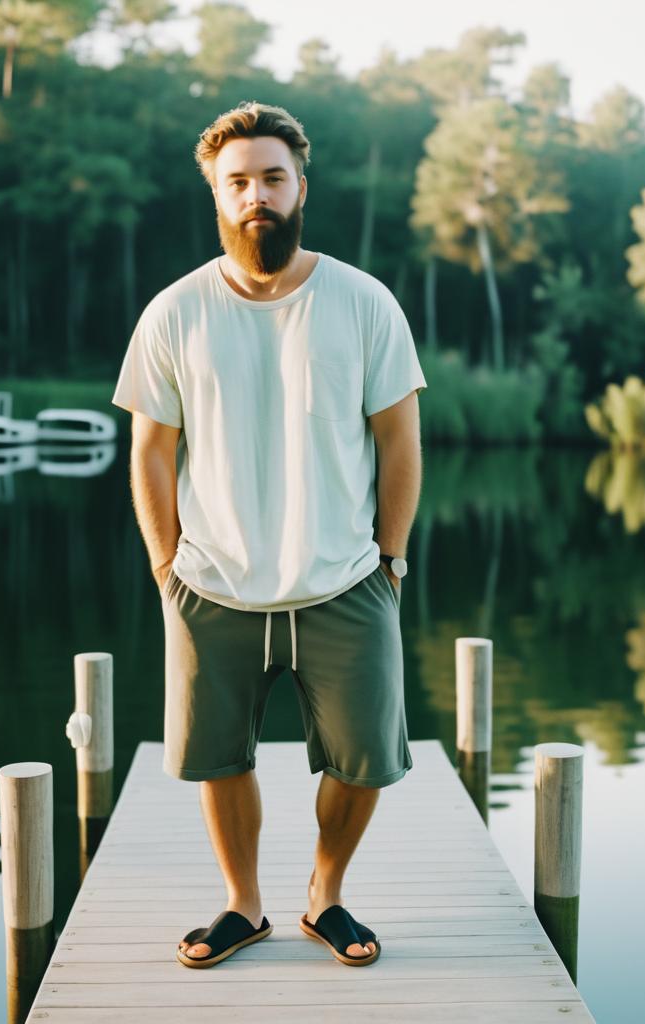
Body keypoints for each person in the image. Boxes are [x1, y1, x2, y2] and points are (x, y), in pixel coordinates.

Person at [111, 100, 426, 970]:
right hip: (211, 583)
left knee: (365, 762)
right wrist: (166, 565)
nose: (258, 194)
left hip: (347, 579)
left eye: (273, 178)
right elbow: (150, 451)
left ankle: (326, 896)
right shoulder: (174, 312)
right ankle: (242, 906)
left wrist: (392, 559)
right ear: (216, 193)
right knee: (219, 757)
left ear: (301, 188)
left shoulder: (364, 302)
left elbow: (400, 441)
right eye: (238, 180)